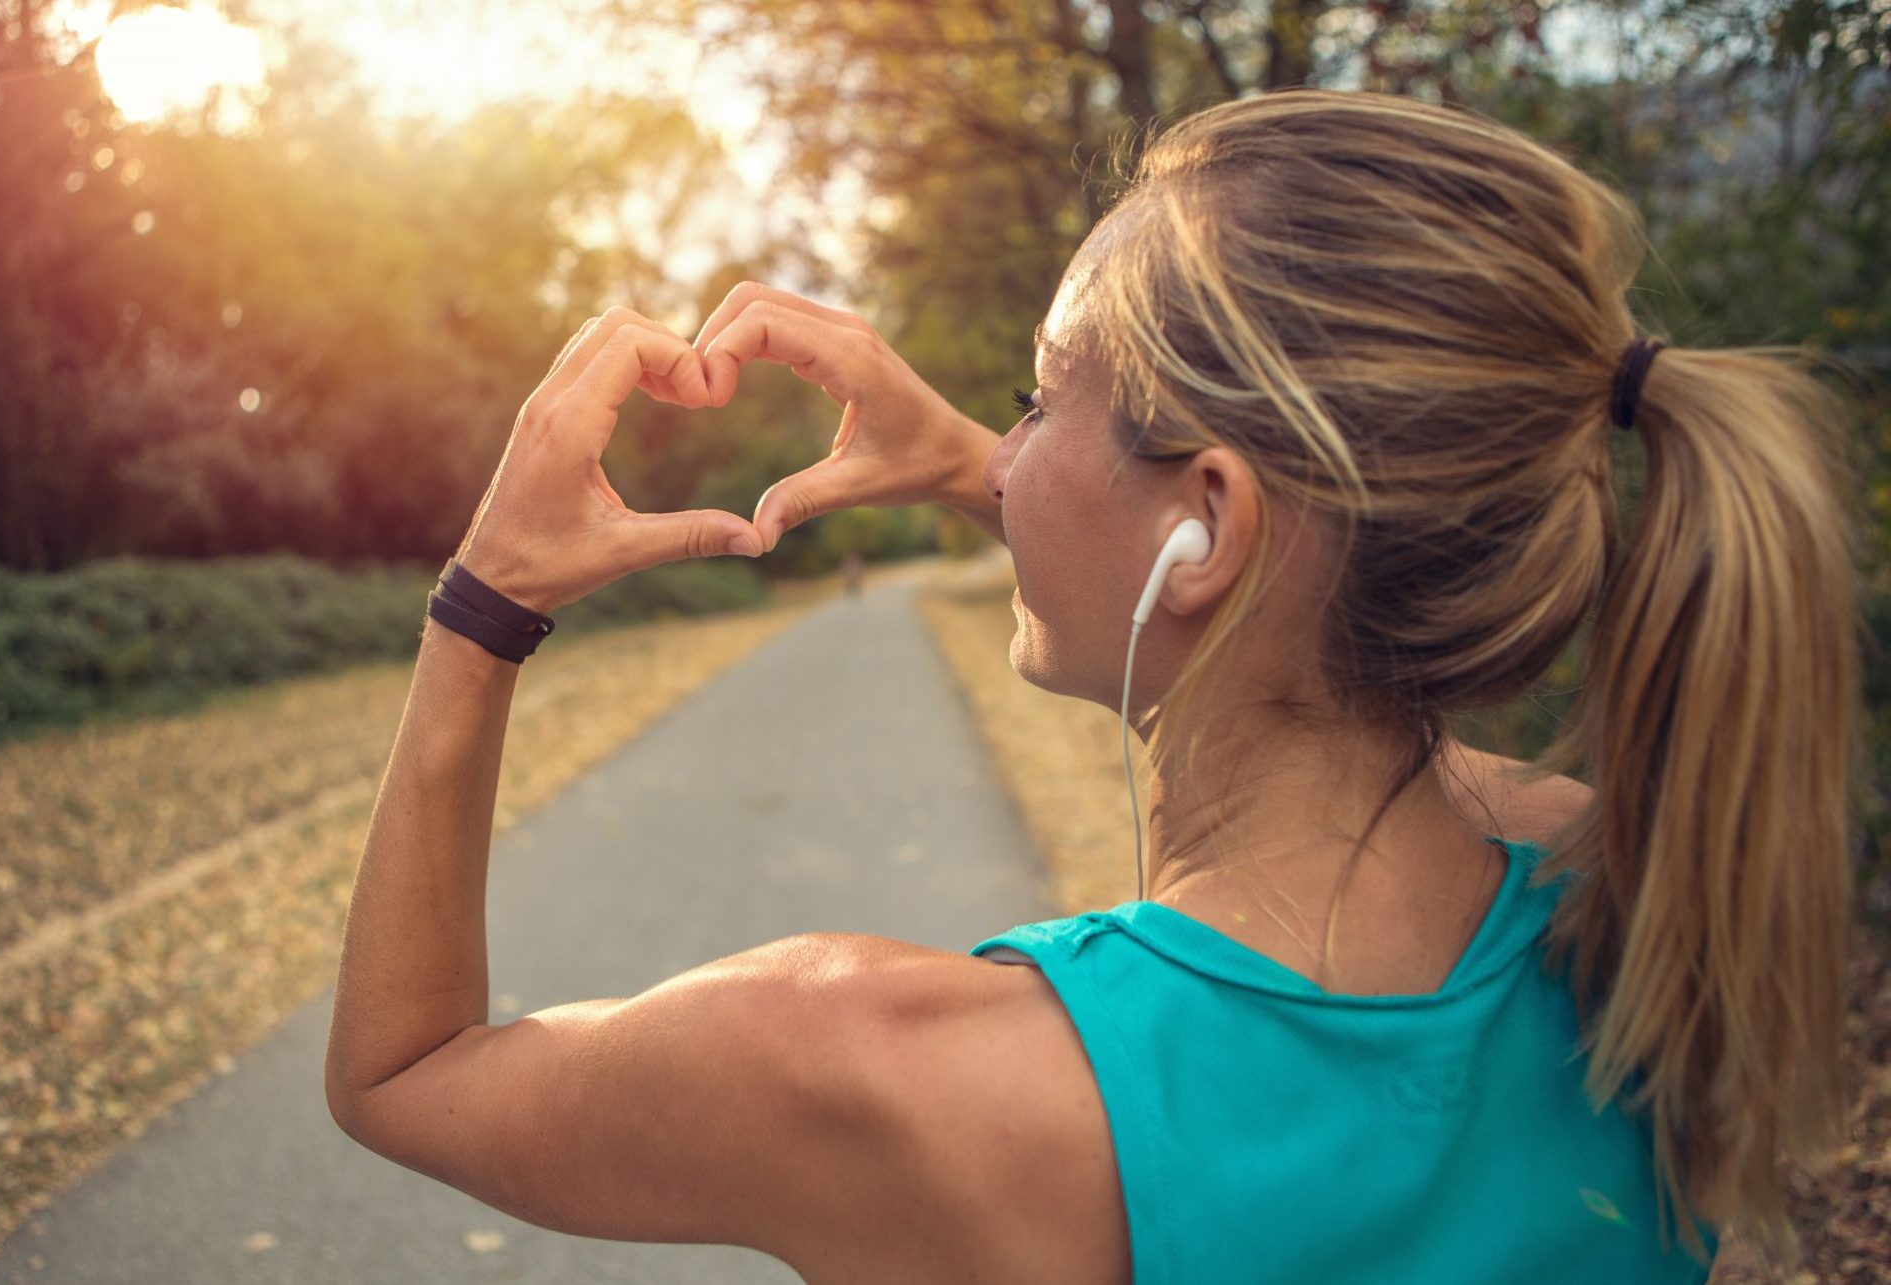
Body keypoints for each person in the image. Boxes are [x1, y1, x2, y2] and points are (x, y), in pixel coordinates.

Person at [323, 88, 1864, 1283]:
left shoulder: (876, 1067)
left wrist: (487, 599)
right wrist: (976, 467)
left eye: (1039, 395)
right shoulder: (1630, 892)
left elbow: (404, 1073)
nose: (1010, 448)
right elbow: (1250, 586)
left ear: (1203, 524)